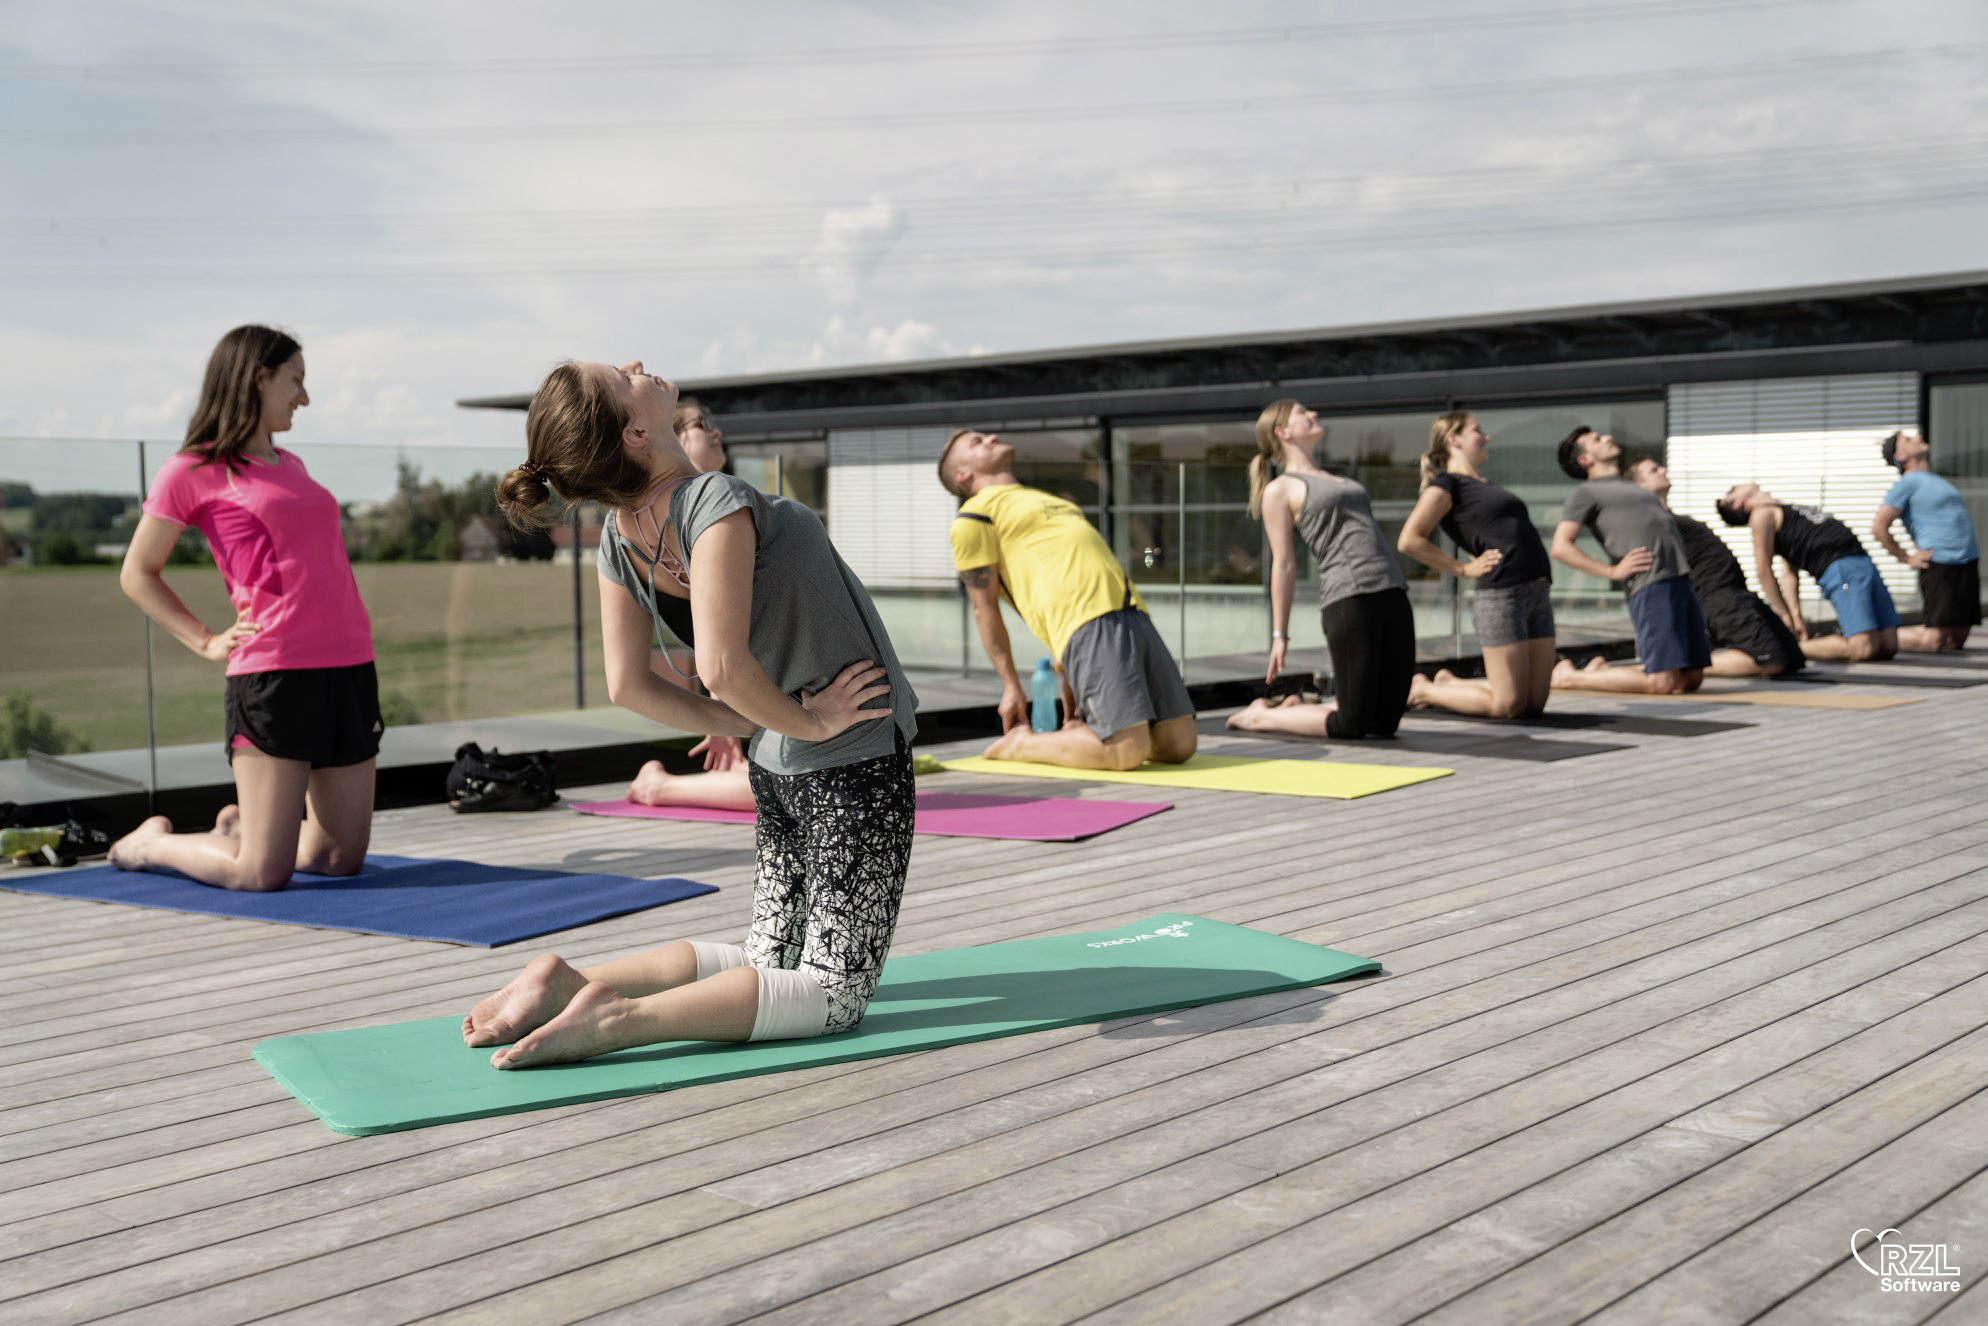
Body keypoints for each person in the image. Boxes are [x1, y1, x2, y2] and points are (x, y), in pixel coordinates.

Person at [465, 359, 916, 1067]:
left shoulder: (622, 534)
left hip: (778, 767)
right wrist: (816, 723)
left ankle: (574, 983)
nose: (637, 365)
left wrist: (754, 726)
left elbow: (628, 685)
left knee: (773, 955)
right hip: (849, 763)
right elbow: (723, 666)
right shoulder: (714, 499)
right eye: (621, 373)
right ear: (637, 429)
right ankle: (620, 1018)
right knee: (833, 994)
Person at [107, 325, 379, 890]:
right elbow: (138, 573)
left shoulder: (293, 465)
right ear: (258, 377)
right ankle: (151, 844)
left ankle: (242, 824)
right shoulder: (191, 470)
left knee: (339, 858)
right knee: (261, 873)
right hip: (274, 673)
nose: (304, 397)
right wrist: (206, 640)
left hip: (348, 667)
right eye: (295, 380)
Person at [938, 428, 1196, 770]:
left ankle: (1088, 737)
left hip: (1130, 610)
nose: (991, 437)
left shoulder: (1053, 500)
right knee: (1125, 752)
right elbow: (983, 609)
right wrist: (1011, 686)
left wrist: (1069, 669)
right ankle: (1021, 745)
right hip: (1086, 619)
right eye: (976, 442)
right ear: (962, 474)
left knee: (1179, 744)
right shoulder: (973, 517)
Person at [1225, 399, 1415, 740]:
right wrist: (1279, 635)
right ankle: (1259, 717)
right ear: (1282, 432)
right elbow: (1283, 563)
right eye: (1303, 413)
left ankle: (1293, 708)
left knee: (1385, 724)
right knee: (1352, 724)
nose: (1313, 414)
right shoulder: (1279, 489)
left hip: (1392, 590)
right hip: (1350, 598)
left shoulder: (1339, 479)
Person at [621, 395, 757, 813]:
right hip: (761, 698)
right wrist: (722, 712)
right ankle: (658, 787)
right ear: (670, 438)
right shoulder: (641, 528)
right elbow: (715, 627)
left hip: (762, 694)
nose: (717, 433)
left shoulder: (720, 507)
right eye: (702, 424)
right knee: (799, 792)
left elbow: (724, 625)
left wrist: (722, 714)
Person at [1396, 411, 1556, 718]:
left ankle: (1448, 682)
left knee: (1534, 704)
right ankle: (1423, 690)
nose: (1486, 437)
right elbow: (1409, 540)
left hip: (1536, 590)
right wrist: (1462, 569)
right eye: (1477, 430)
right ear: (1453, 439)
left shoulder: (1484, 484)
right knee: (1507, 706)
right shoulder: (1446, 484)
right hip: (1502, 595)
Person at [1547, 427, 1709, 695]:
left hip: (1680, 581)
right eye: (1596, 440)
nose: (1607, 438)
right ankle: (1570, 678)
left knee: (1691, 679)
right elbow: (1560, 547)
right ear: (1585, 460)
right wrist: (1612, 572)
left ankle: (1599, 672)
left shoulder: (1631, 487)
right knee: (1662, 683)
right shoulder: (1586, 492)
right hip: (1651, 585)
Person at [1627, 458, 1802, 677]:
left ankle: (1681, 662)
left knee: (1793, 657)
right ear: (1639, 486)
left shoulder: (1669, 518)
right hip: (1717, 596)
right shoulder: (1650, 522)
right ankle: (1668, 667)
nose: (1663, 470)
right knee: (1771, 660)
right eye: (1654, 470)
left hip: (1736, 593)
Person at [1715, 483, 1899, 661]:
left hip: (1861, 561)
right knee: (1862, 648)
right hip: (1841, 568)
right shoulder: (1761, 514)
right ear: (1736, 503)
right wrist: (1785, 614)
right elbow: (1763, 571)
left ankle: (1791, 646)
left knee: (1888, 645)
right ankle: (1785, 648)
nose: (1739, 485)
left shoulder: (1783, 510)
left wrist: (1796, 616)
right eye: (1732, 491)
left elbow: (1789, 571)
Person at [1873, 430, 1980, 652]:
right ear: (1901, 457)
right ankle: (1872, 637)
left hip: (1966, 563)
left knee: (1957, 639)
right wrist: (1906, 557)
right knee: (1934, 641)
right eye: (1909, 440)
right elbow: (1879, 527)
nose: (1918, 437)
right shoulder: (1907, 483)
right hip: (1941, 564)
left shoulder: (1936, 479)